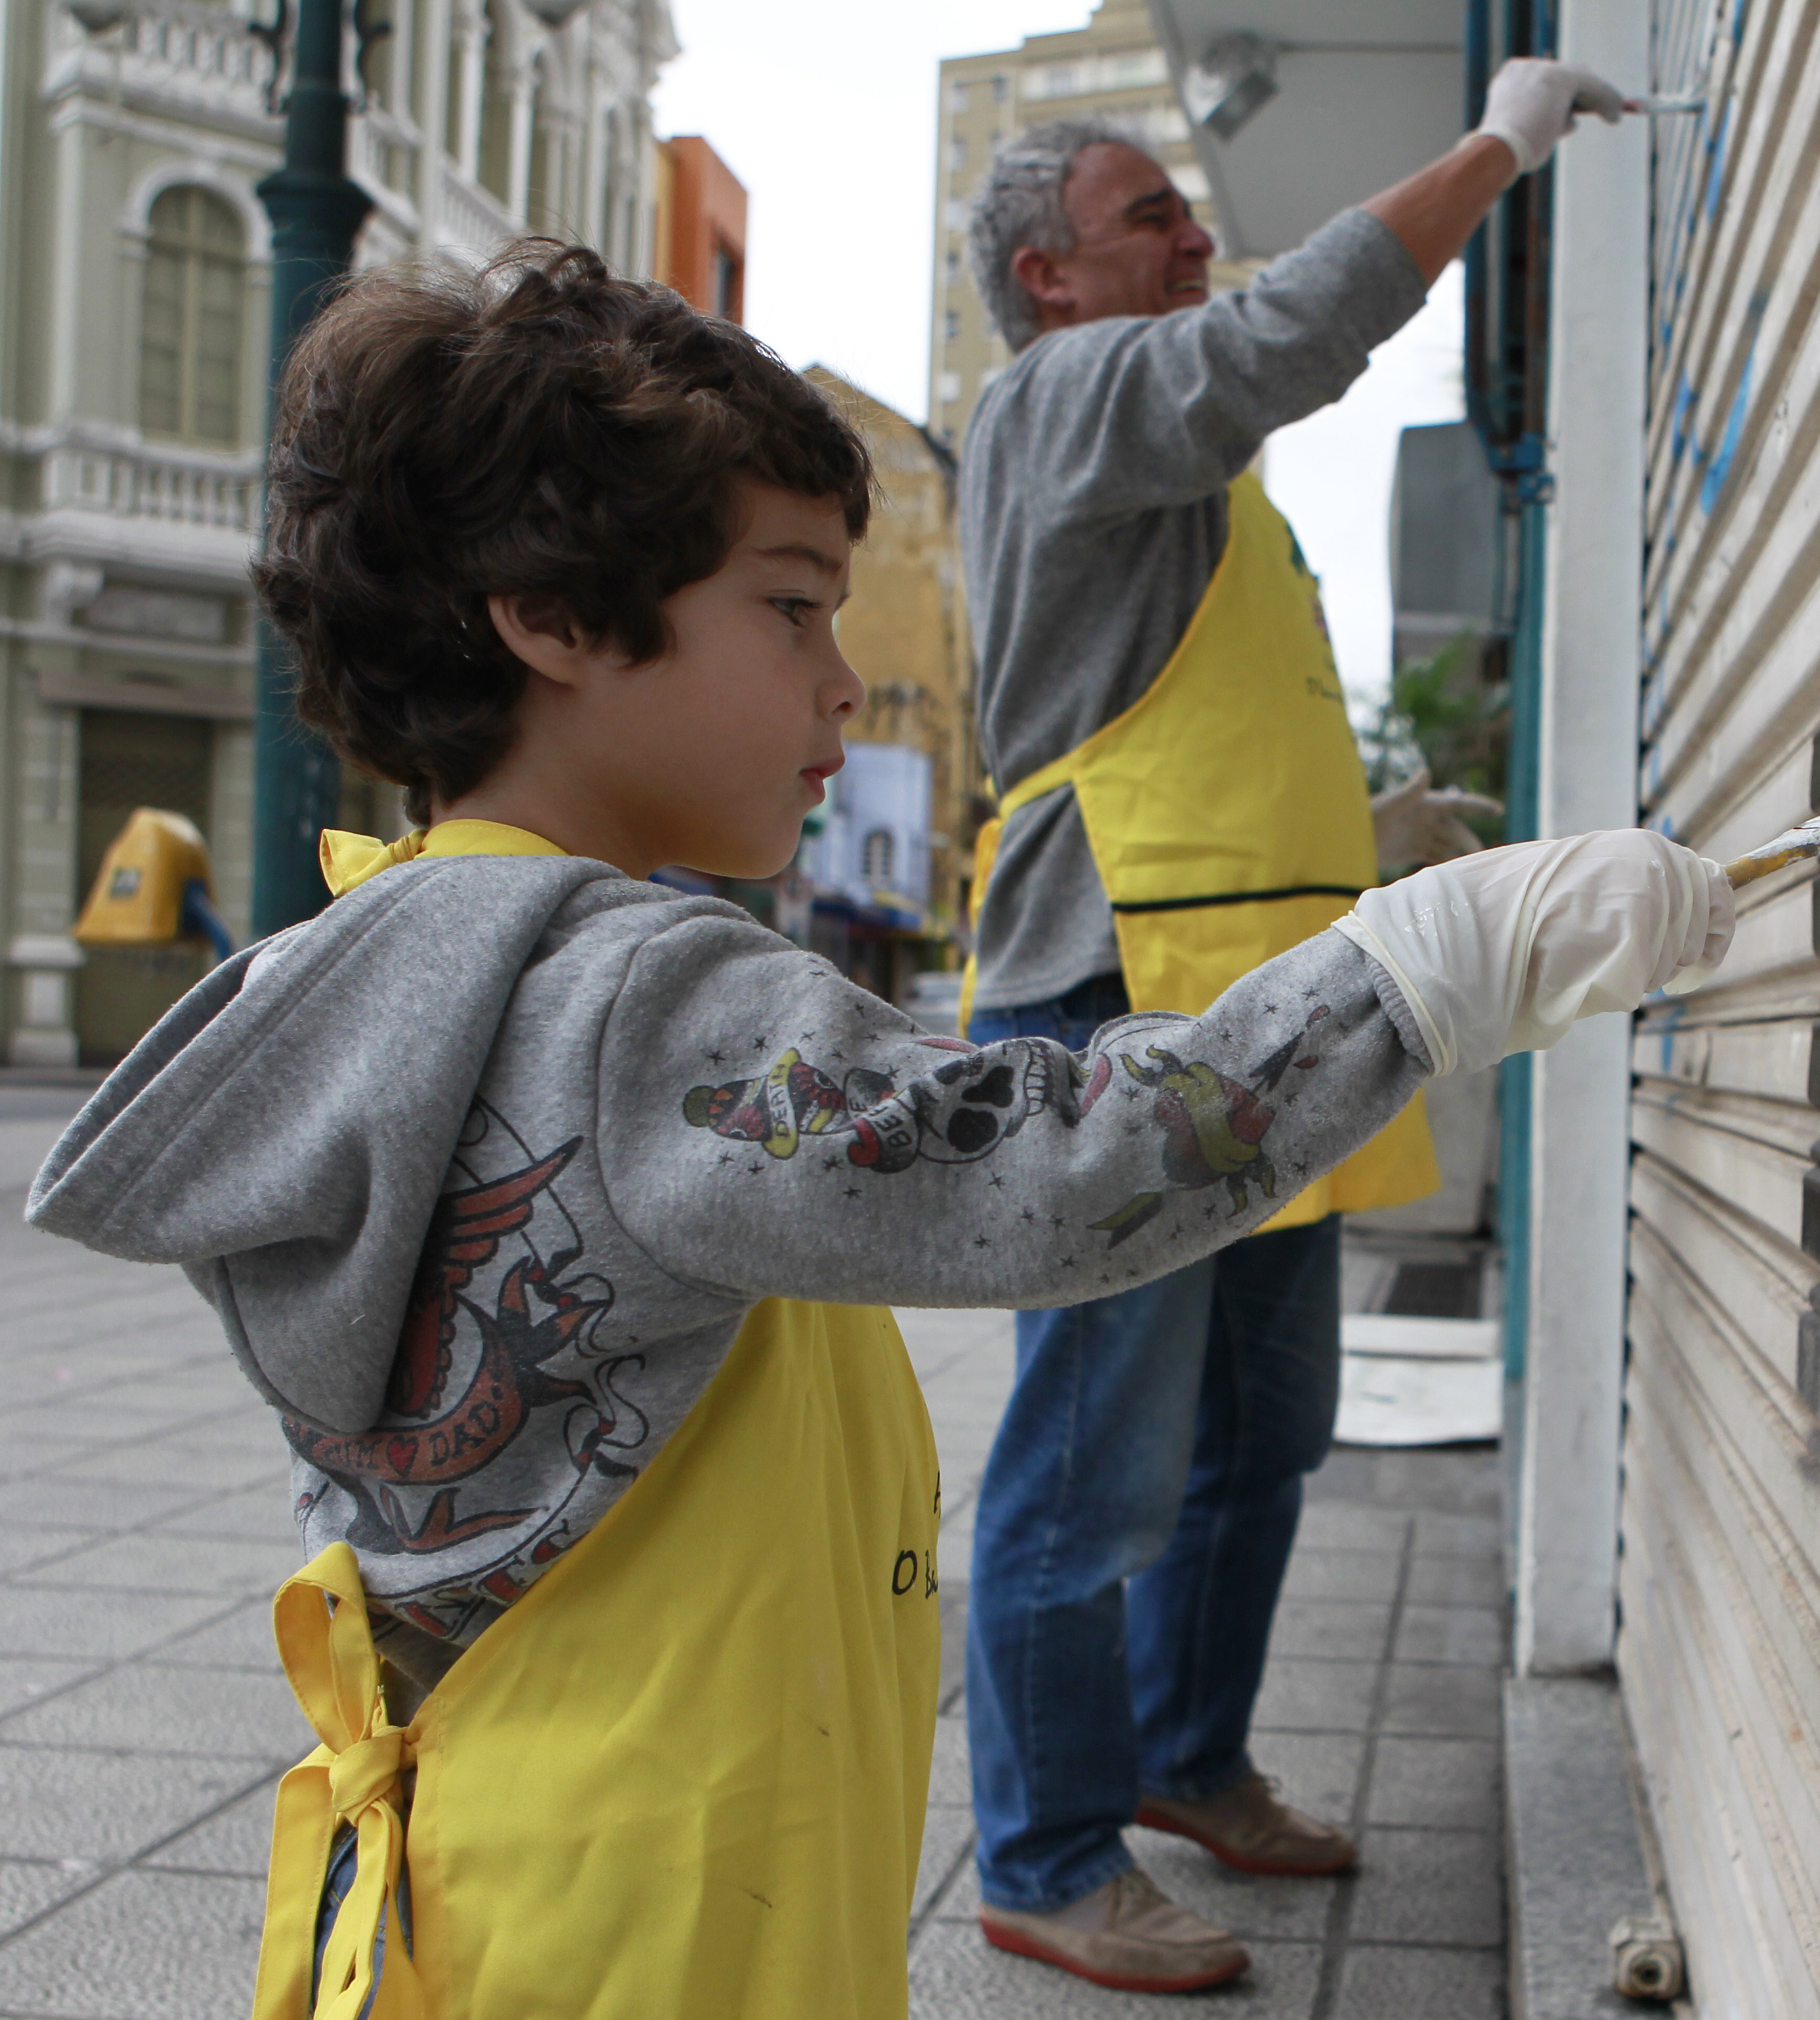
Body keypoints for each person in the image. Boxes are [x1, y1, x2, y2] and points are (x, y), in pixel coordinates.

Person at [21, 242, 1727, 2019]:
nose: (846, 680)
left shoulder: (414, 963)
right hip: (679, 1921)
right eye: (790, 606)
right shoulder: (629, 1006)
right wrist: (1418, 972)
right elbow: (1055, 1167)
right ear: (553, 616)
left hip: (506, 1883)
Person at [950, 56, 1628, 1991]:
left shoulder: (1192, 496)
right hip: (1111, 1011)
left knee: (1263, 1428)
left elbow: (1214, 731)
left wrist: (1379, 833)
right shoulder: (1070, 398)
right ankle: (1048, 1854)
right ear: (1046, 276)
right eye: (1143, 215)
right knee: (1095, 1458)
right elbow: (1286, 333)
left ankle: (1185, 1756)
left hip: (1246, 1014)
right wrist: (1497, 145)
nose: (1190, 232)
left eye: (1185, 205)